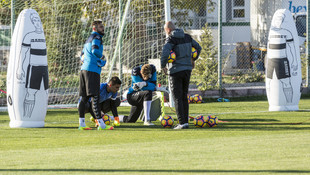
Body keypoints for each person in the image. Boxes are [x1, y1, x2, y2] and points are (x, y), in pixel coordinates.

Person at [161, 21, 202, 129]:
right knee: (184, 96)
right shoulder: (187, 37)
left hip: (175, 70)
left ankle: (182, 123)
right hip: (187, 69)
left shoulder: (171, 39)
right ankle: (186, 122)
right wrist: (193, 58)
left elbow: (165, 52)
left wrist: (163, 65)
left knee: (177, 97)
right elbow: (198, 48)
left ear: (168, 30)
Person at [78, 20, 113, 130]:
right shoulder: (97, 37)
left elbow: (81, 55)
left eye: (103, 26)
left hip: (84, 70)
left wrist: (90, 61)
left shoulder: (88, 38)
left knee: (84, 98)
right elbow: (95, 51)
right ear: (94, 28)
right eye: (100, 27)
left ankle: (82, 124)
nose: (103, 29)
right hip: (92, 71)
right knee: (95, 97)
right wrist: (102, 58)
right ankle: (102, 125)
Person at [16, 12, 48, 118]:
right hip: (34, 67)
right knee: (31, 92)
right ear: (32, 23)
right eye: (34, 20)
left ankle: (37, 118)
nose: (37, 23)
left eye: (38, 20)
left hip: (44, 68)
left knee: (45, 92)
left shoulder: (43, 36)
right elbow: (23, 53)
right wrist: (20, 68)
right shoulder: (29, 36)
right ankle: (27, 117)